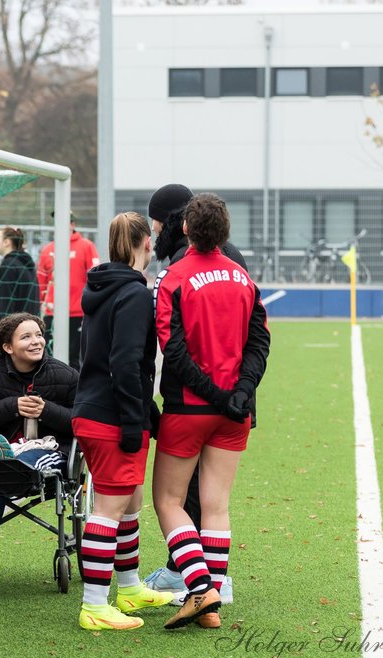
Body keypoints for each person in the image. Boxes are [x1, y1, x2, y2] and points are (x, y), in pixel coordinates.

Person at [153, 193, 269, 631]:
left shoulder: (174, 277)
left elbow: (174, 350)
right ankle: (211, 608)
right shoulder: (242, 277)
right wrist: (239, 392)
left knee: (168, 501)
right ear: (227, 231)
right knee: (216, 506)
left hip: (190, 408)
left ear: (183, 228)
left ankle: (201, 589)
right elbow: (261, 342)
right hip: (235, 411)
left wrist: (215, 394)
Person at [70, 212, 175, 631]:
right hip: (110, 415)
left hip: (99, 408)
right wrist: (136, 418)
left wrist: (144, 412)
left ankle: (129, 587)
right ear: (146, 245)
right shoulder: (132, 294)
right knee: (110, 507)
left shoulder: (103, 287)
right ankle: (94, 605)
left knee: (129, 502)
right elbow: (125, 362)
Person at [0, 313, 78, 576]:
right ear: (7, 347)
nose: (36, 341)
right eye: (26, 337)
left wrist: (47, 411)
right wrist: (11, 406)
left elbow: (81, 422)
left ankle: (12, 463)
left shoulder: (65, 375)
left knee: (19, 460)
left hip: (47, 450)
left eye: (38, 335)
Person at [37, 210, 99, 368]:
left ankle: (76, 392)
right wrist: (40, 305)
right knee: (49, 360)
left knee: (75, 360)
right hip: (53, 314)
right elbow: (41, 283)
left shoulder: (86, 246)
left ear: (72, 224)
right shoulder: (48, 250)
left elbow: (96, 280)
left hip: (78, 314)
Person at [0, 227, 38, 319]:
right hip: (30, 325)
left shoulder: (8, 265)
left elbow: (5, 302)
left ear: (6, 242)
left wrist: (4, 331)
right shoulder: (27, 264)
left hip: (14, 328)